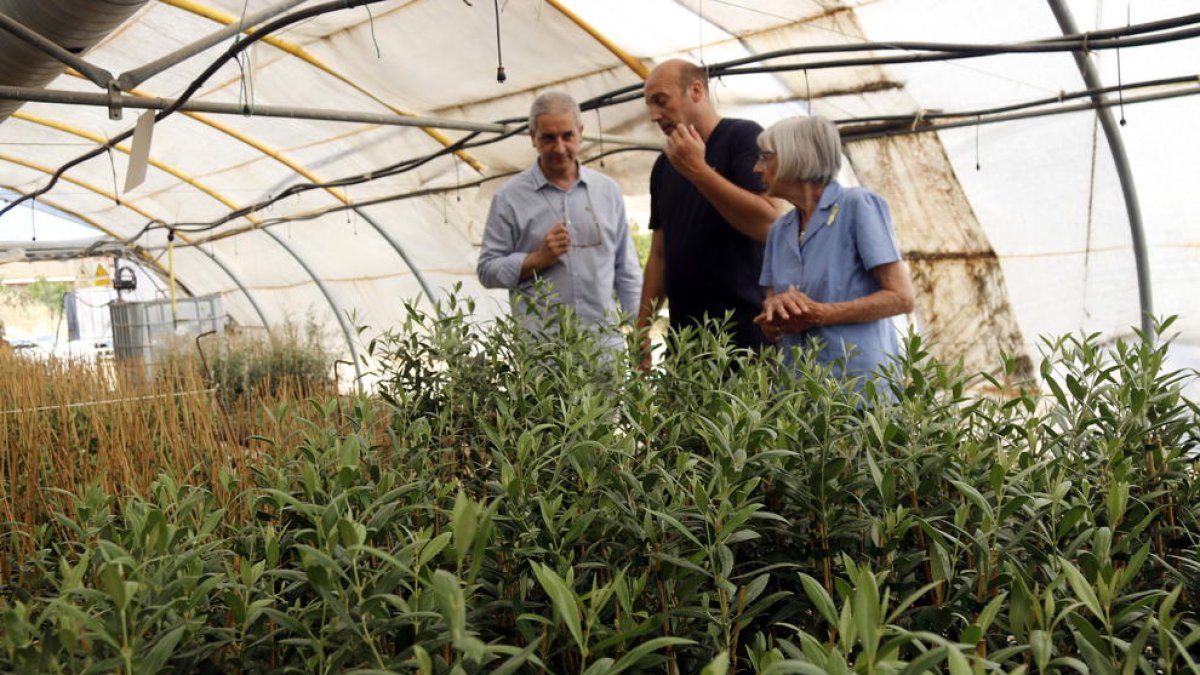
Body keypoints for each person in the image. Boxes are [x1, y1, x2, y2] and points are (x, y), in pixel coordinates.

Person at [752, 115, 916, 387]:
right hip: (800, 391)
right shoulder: (780, 229)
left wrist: (821, 314)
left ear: (797, 156)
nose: (757, 168)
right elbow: (772, 325)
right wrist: (774, 317)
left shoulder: (857, 205)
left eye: (765, 158)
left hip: (861, 391)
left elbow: (902, 298)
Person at [637, 59, 781, 367]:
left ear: (696, 90)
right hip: (686, 341)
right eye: (649, 105)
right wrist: (641, 326)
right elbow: (659, 254)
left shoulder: (743, 138)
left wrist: (698, 170)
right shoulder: (664, 165)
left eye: (661, 101)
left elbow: (769, 221)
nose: (654, 115)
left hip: (745, 339)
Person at [477, 91, 643, 348]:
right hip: (544, 356)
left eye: (567, 136)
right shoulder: (510, 198)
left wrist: (640, 335)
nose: (559, 147)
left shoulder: (606, 191)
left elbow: (627, 271)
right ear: (532, 137)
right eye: (548, 138)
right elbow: (487, 270)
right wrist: (536, 259)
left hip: (603, 350)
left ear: (580, 132)